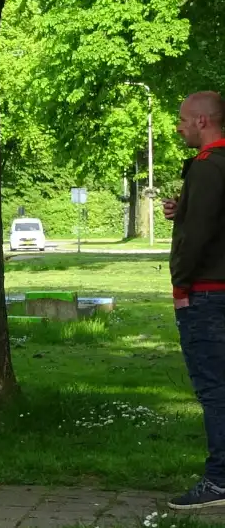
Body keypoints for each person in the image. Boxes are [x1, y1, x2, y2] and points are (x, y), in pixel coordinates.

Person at [164, 91, 225, 511]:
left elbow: (200, 237)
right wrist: (181, 209)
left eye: (184, 120)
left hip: (207, 294)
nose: (179, 126)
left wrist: (181, 287)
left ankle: (219, 480)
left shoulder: (207, 167)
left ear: (203, 121)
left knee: (215, 389)